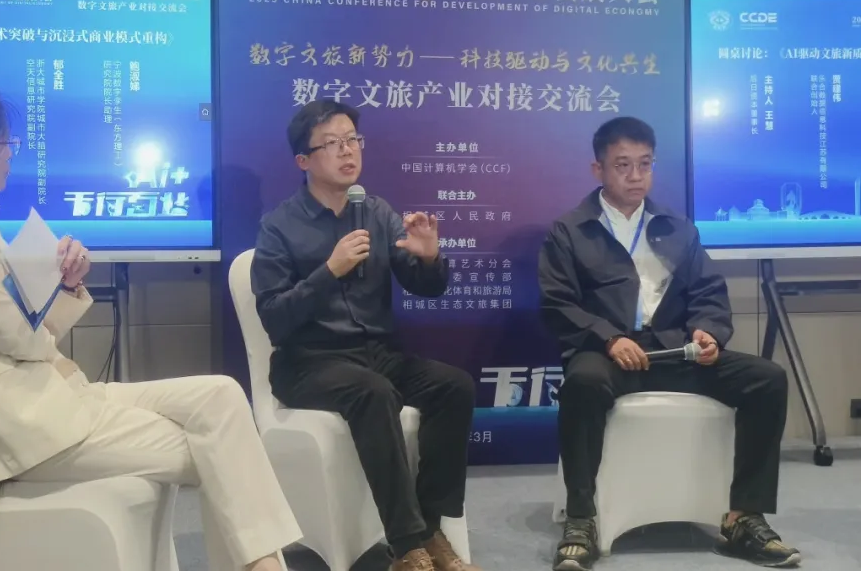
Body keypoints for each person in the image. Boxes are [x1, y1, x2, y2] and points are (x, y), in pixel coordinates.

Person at [0, 75, 302, 571]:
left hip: (49, 399)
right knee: (220, 447)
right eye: (6, 144)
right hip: (15, 428)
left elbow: (27, 331)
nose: (11, 155)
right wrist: (41, 296)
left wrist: (64, 283)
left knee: (222, 396)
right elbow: (24, 338)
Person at [538, 116, 800, 571]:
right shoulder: (571, 230)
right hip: (609, 355)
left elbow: (709, 293)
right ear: (598, 169)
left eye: (645, 164)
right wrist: (609, 338)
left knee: (767, 379)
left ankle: (744, 516)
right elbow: (557, 303)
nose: (635, 176)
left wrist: (708, 331)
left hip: (676, 351)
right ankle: (581, 518)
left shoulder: (678, 229)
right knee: (582, 383)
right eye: (622, 165)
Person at [250, 98, 478, 571]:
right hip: (308, 361)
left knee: (453, 386)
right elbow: (274, 317)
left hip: (376, 353)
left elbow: (426, 286)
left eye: (352, 139)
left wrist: (430, 257)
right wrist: (329, 271)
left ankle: (430, 527)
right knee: (373, 393)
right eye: (332, 143)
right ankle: (407, 546)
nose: (347, 150)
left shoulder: (377, 212)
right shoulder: (278, 226)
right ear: (304, 160)